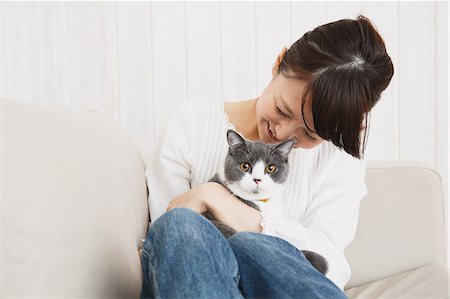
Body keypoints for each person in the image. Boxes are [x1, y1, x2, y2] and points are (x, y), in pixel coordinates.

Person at [141, 15, 394, 298]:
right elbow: (170, 242)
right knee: (183, 228)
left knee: (256, 248)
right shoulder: (191, 125)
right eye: (283, 110)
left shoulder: (338, 160)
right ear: (278, 63)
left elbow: (327, 265)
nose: (282, 133)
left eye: (309, 134)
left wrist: (216, 198)